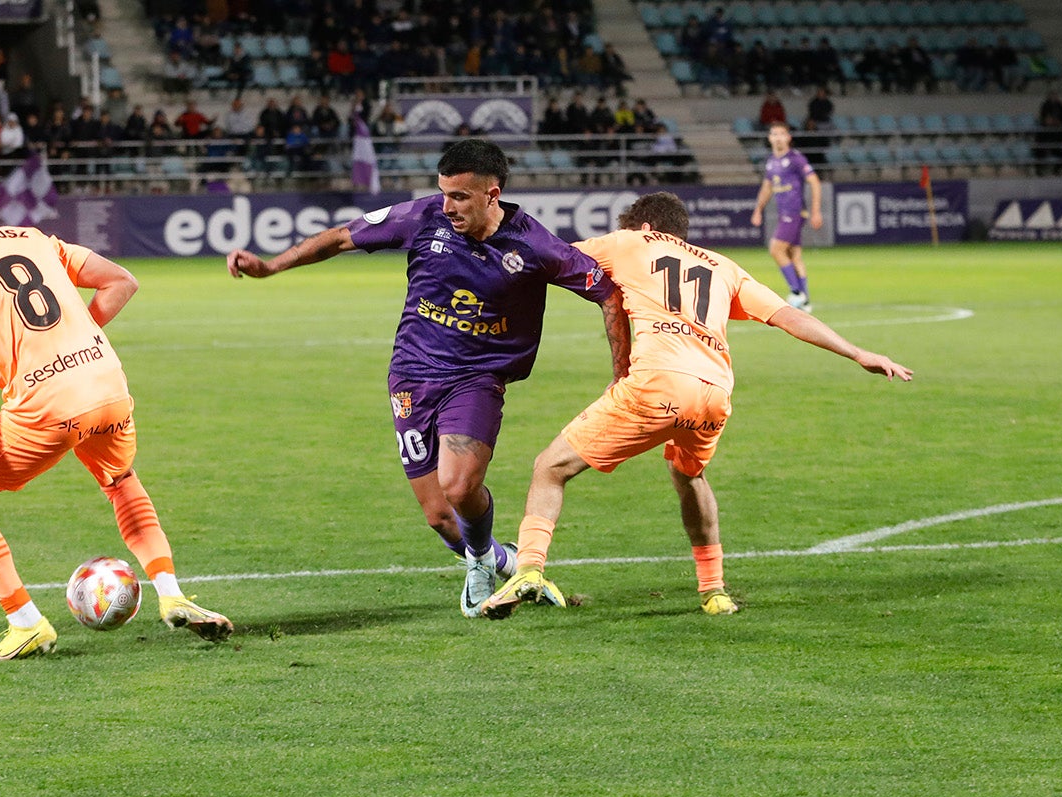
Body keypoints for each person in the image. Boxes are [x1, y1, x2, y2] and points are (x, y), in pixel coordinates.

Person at [227, 139, 631, 617]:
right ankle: (494, 557)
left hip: (477, 377)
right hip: (412, 375)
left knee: (459, 488)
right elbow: (339, 237)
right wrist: (270, 267)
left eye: (460, 197)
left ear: (492, 194)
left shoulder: (533, 244)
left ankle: (480, 566)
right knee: (440, 516)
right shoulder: (423, 218)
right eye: (443, 193)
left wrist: (622, 374)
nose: (447, 206)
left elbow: (607, 292)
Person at [479, 192, 913, 620]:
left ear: (645, 228)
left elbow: (552, 257)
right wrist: (858, 353)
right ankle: (714, 591)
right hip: (713, 395)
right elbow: (789, 317)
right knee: (689, 473)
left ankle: (530, 570)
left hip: (657, 385)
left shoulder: (628, 243)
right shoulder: (723, 265)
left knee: (550, 468)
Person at [0, 186, 233, 661]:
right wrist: (80, 345)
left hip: (44, 407)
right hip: (107, 386)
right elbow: (121, 281)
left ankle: (26, 623)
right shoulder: (31, 236)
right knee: (120, 480)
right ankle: (172, 593)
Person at [750, 121, 822, 311]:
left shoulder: (796, 159)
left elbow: (814, 182)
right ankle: (805, 301)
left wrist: (816, 210)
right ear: (769, 138)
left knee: (776, 249)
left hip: (795, 212)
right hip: (785, 213)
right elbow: (767, 187)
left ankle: (796, 292)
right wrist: (758, 209)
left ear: (788, 137)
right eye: (774, 134)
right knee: (794, 255)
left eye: (782, 134)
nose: (778, 137)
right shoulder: (771, 161)